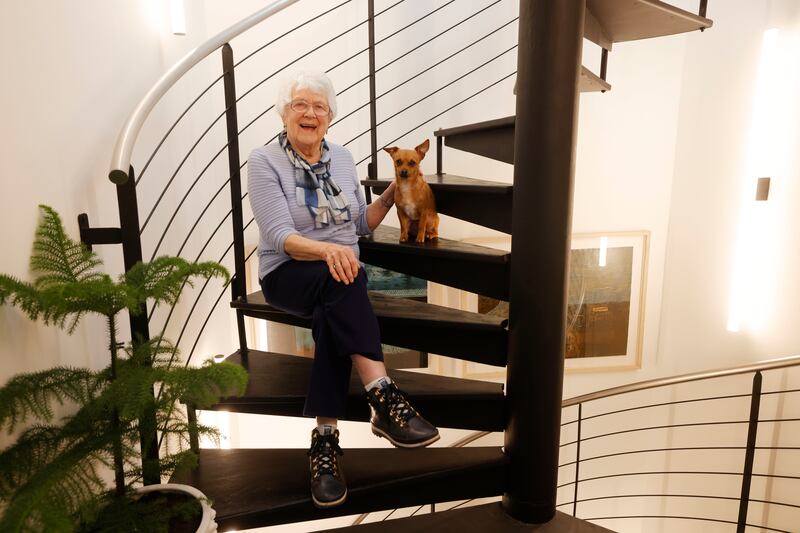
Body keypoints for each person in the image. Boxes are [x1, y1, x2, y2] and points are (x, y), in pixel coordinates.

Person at [248, 72, 440, 509]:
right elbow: (279, 234)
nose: (310, 113)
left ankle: (325, 440)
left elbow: (357, 226)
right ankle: (381, 393)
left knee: (335, 302)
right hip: (289, 271)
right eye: (300, 104)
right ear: (285, 112)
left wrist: (394, 193)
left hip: (341, 275)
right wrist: (326, 253)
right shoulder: (264, 161)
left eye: (319, 107)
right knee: (343, 276)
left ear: (330, 117)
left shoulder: (343, 158)